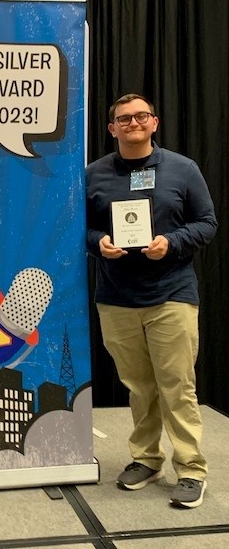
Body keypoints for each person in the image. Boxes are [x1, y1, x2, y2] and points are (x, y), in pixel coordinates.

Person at [85, 93, 217, 509]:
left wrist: (172, 243)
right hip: (117, 298)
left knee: (177, 384)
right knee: (139, 386)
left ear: (154, 123)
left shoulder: (183, 169)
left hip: (171, 294)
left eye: (141, 116)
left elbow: (207, 223)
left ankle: (192, 469)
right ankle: (146, 459)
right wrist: (98, 243)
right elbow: (77, 228)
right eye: (123, 119)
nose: (133, 123)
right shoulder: (93, 174)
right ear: (112, 129)